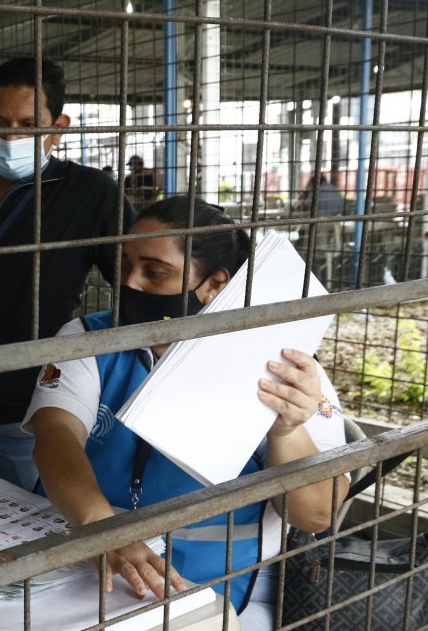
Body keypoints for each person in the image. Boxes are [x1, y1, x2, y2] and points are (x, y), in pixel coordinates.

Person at [25, 197, 346, 629]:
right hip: (91, 561)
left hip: (224, 586)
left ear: (214, 284)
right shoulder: (89, 338)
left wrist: (288, 429)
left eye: (154, 272)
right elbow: (55, 436)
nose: (130, 283)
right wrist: (103, 529)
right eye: (124, 266)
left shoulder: (283, 367)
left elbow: (314, 515)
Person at [0, 57, 132, 491]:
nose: (11, 136)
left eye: (28, 124)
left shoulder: (88, 193)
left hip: (21, 424)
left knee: (20, 547)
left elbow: (134, 283)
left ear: (59, 125)